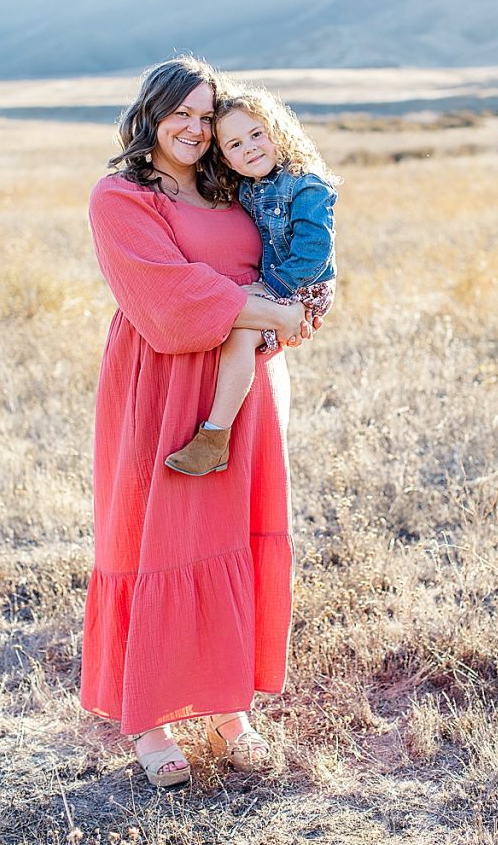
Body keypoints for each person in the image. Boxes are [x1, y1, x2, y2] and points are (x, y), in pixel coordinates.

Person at [80, 57, 314, 788]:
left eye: (204, 114)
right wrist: (272, 312)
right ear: (150, 114)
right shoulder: (120, 197)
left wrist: (303, 301)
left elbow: (277, 261)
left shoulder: (229, 186)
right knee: (157, 536)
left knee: (229, 537)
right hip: (163, 382)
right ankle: (148, 719)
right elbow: (170, 298)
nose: (193, 126)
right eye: (179, 111)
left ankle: (226, 710)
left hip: (241, 390)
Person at [164, 86, 337, 477]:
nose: (250, 148)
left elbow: (315, 250)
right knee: (231, 320)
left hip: (304, 285)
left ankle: (214, 437)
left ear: (279, 130)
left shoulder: (306, 184)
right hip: (275, 284)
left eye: (257, 134)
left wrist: (272, 290)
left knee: (239, 333)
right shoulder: (248, 187)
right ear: (225, 157)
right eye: (235, 144)